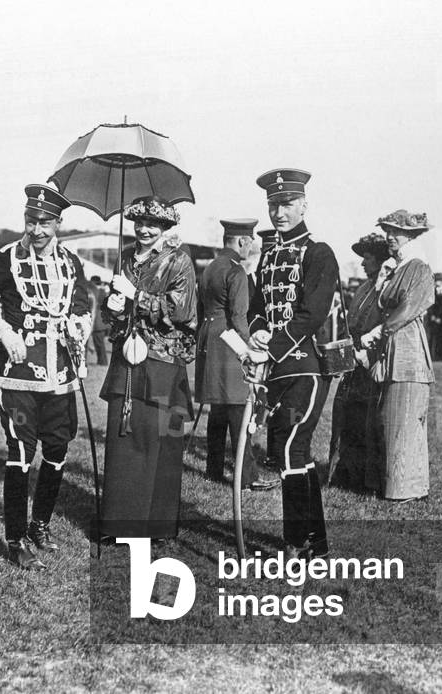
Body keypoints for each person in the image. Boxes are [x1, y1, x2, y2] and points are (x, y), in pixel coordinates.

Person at [0, 184, 91, 570]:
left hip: (61, 372)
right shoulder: (6, 258)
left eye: (46, 223)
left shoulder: (71, 261)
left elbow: (81, 303)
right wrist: (2, 332)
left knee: (57, 450)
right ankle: (15, 539)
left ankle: (40, 524)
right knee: (19, 452)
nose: (37, 230)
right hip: (18, 374)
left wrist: (78, 325)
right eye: (31, 221)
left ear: (59, 223)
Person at [244, 169, 343, 560]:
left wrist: (275, 344)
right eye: (273, 205)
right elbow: (256, 308)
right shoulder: (269, 255)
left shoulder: (319, 253)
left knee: (288, 450)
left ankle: (296, 543)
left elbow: (312, 313)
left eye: (286, 204)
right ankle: (314, 543)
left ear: (304, 205)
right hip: (277, 369)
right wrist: (258, 333)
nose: (279, 212)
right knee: (294, 454)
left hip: (307, 366)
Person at [99, 196, 197, 541]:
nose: (143, 228)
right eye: (139, 221)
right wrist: (112, 305)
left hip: (162, 363)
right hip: (127, 357)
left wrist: (135, 295)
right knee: (123, 437)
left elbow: (181, 310)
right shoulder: (125, 257)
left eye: (152, 223)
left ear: (167, 228)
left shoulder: (179, 260)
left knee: (156, 441)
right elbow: (117, 311)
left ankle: (154, 524)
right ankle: (119, 523)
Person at [361, 210, 436, 502]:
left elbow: (408, 309)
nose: (390, 236)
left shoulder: (418, 268)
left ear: (412, 236)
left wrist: (378, 332)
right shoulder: (396, 267)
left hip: (406, 348)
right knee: (389, 416)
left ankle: (406, 487)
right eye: (388, 231)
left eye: (397, 232)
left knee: (402, 417)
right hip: (391, 345)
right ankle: (393, 483)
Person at [194, 218, 274, 488]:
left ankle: (214, 470)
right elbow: (239, 316)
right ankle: (247, 477)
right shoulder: (236, 271)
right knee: (240, 408)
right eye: (250, 241)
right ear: (242, 241)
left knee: (218, 409)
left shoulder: (210, 267)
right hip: (230, 341)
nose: (250, 246)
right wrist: (250, 345)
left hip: (209, 338)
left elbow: (201, 309)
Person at [329, 232, 388, 492]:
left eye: (367, 259)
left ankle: (367, 478)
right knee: (347, 418)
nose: (363, 264)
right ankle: (345, 472)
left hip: (371, 362)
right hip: (353, 363)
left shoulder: (385, 287)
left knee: (367, 421)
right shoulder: (364, 287)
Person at [88, 275, 110, 365]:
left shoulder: (94, 292)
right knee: (100, 343)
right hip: (103, 321)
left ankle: (102, 361)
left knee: (99, 344)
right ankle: (102, 361)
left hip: (97, 322)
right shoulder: (103, 291)